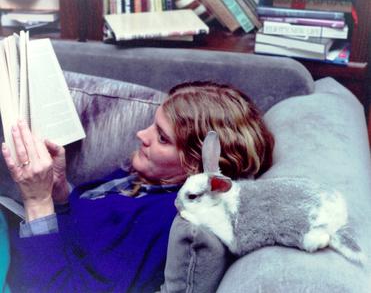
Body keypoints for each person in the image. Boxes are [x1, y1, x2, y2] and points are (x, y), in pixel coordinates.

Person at [3, 81, 274, 292]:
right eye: (153, 126)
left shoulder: (161, 223)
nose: (141, 135)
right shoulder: (149, 179)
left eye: (162, 138)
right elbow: (85, 237)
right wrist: (59, 191)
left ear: (196, 165)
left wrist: (38, 202)